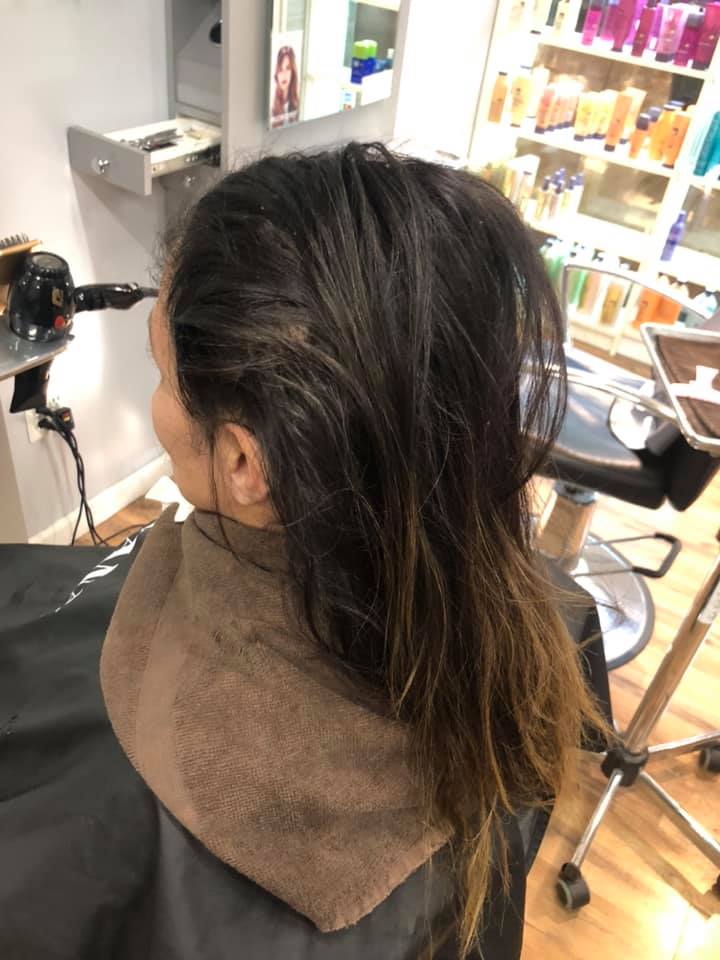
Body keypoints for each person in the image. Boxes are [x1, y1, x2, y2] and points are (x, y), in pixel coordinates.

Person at [0, 143, 607, 959]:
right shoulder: (541, 609)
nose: (156, 404)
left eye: (161, 373)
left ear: (245, 463)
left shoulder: (99, 818)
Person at [271, 44, 300, 128]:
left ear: (293, 72)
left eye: (287, 68)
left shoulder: (299, 105)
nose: (284, 74)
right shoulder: (271, 109)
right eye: (280, 69)